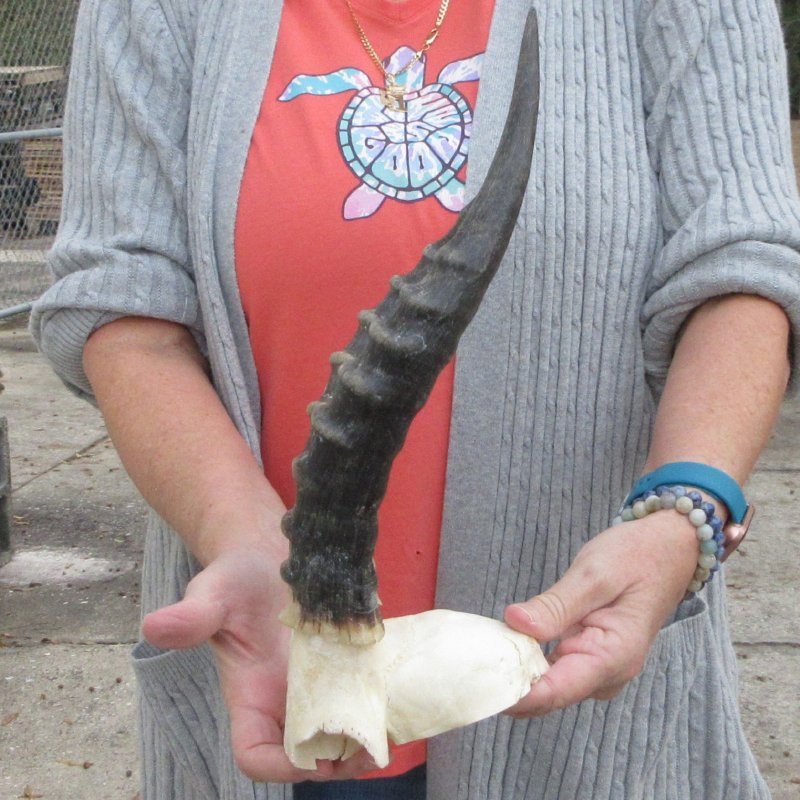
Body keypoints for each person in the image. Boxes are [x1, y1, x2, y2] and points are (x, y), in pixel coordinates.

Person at [31, 0, 800, 798]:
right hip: (272, 664)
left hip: (581, 668)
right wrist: (241, 536)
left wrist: (683, 513)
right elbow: (125, 305)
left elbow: (742, 268)